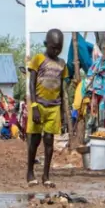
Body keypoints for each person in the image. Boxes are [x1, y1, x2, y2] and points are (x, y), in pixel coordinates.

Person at [26, 30, 68, 188]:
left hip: (54, 107)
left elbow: (62, 89)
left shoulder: (62, 64)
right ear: (46, 44)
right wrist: (34, 105)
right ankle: (30, 172)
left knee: (49, 141)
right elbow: (31, 83)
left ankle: (46, 175)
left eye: (59, 48)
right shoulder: (38, 59)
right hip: (39, 105)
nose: (56, 51)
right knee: (35, 140)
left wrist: (63, 112)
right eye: (53, 47)